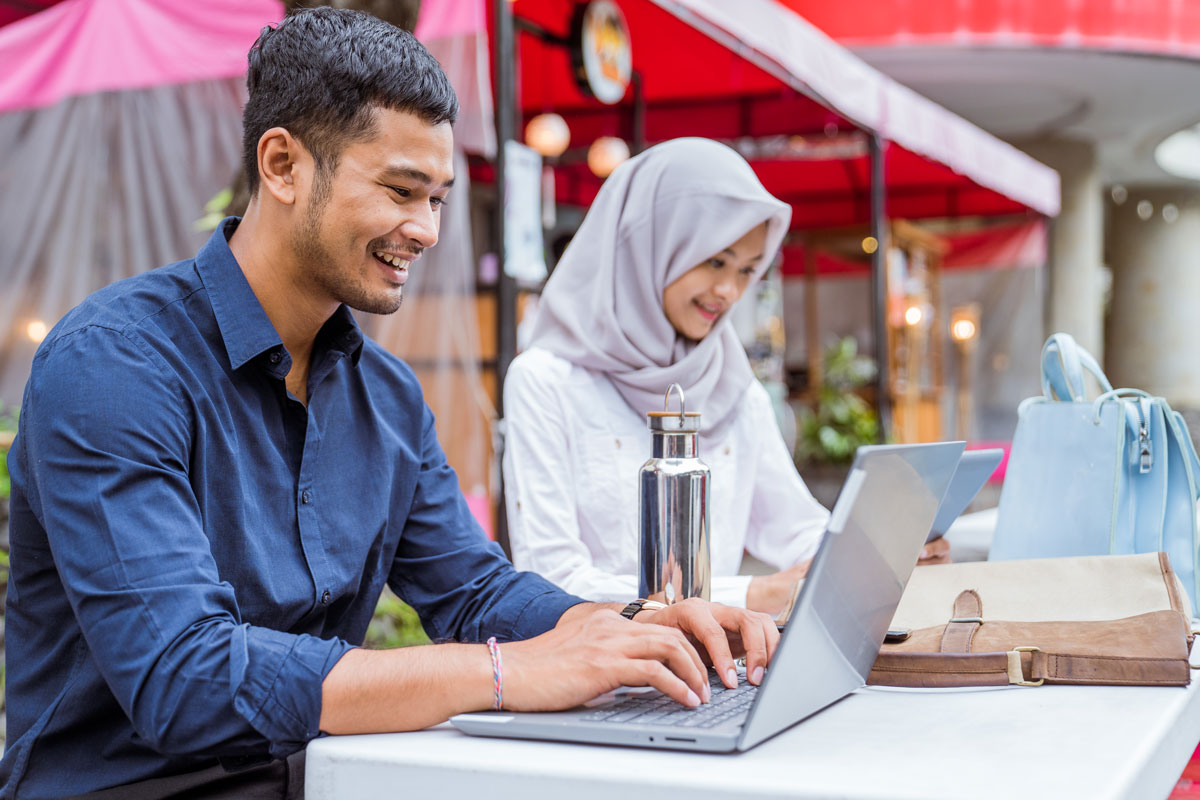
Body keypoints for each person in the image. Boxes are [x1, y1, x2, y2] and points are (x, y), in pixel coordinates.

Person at [0, 12, 776, 799]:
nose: (429, 229)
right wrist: (506, 671)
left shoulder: (387, 397)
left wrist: (622, 626)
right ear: (282, 164)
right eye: (403, 191)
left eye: (438, 198)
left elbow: (474, 591)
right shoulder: (114, 362)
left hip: (327, 777)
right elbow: (185, 680)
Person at [502, 138, 949, 616]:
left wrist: (881, 554)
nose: (728, 291)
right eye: (715, 260)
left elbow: (792, 528)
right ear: (652, 241)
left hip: (725, 677)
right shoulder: (546, 381)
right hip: (601, 684)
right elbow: (550, 580)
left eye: (747, 270)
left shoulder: (731, 384)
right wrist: (749, 596)